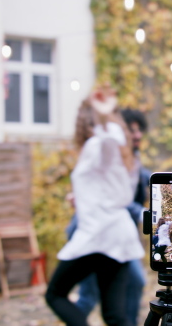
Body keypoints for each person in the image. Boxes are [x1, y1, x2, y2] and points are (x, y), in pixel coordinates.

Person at [45, 86, 144, 326]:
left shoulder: (98, 144)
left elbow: (108, 142)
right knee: (114, 315)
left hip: (99, 235)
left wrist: (102, 117)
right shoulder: (117, 153)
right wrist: (82, 199)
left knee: (55, 294)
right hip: (116, 234)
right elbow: (109, 189)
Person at [66, 108, 149, 326]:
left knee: (122, 294)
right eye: (133, 131)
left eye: (140, 130)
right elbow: (115, 195)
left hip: (114, 236)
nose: (138, 135)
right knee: (89, 297)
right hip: (98, 235)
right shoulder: (110, 152)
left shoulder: (134, 160)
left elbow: (141, 180)